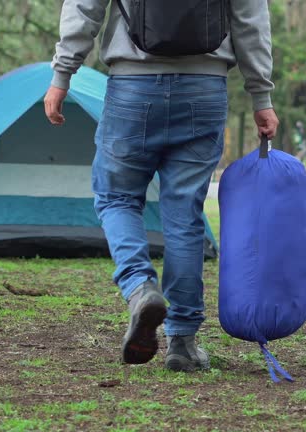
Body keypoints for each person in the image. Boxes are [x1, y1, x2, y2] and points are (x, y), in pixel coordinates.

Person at [45, 0, 279, 370]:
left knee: (117, 198)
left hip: (133, 87)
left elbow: (84, 7)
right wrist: (261, 96)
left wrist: (62, 75)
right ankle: (182, 342)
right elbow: (250, 19)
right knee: (184, 214)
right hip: (204, 88)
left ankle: (139, 287)